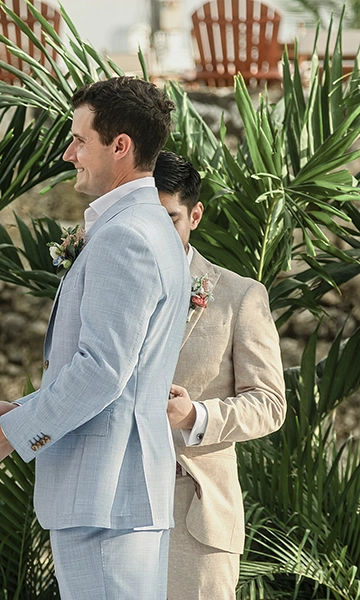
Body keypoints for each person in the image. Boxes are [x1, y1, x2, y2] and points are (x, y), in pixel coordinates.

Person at [0, 77, 190, 599]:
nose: (69, 153)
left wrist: (13, 432)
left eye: (80, 140)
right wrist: (19, 406)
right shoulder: (149, 226)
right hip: (119, 493)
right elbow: (119, 371)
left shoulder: (126, 235)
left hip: (105, 496)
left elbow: (103, 371)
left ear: (120, 146)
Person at [153, 151, 286, 599]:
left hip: (195, 513)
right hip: (107, 506)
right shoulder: (99, 286)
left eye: (168, 220)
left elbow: (269, 404)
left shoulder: (239, 296)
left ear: (195, 215)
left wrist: (196, 416)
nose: (154, 236)